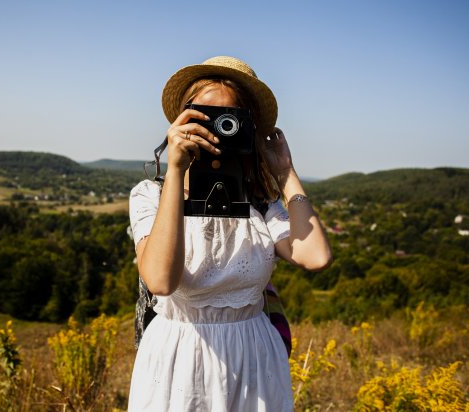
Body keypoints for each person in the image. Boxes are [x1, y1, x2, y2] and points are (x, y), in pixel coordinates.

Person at [128, 56, 332, 411]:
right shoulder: (151, 195)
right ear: (181, 119)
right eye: (202, 115)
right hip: (178, 360)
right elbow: (161, 280)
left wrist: (284, 172)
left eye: (230, 120)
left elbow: (316, 256)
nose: (215, 129)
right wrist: (176, 170)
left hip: (254, 361)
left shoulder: (260, 205)